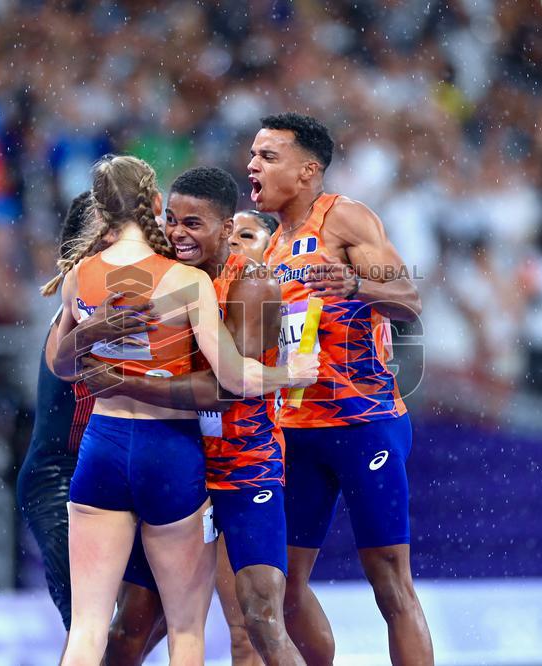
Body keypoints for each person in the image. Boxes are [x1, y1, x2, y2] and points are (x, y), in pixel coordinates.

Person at [47, 155, 318, 666]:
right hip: (171, 453)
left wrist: (101, 347)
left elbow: (62, 365)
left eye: (192, 223)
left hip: (153, 451)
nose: (176, 231)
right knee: (169, 630)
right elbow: (232, 381)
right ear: (154, 207)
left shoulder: (82, 274)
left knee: (93, 629)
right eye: (171, 218)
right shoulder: (179, 280)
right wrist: (291, 375)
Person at [250, 113, 434, 665]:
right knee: (279, 590)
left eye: (267, 157)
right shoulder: (265, 245)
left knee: (389, 583)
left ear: (308, 171)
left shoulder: (345, 219)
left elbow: (408, 302)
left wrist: (355, 284)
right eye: (253, 155)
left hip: (363, 422)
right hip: (295, 430)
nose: (252, 166)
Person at [17, 191, 158, 633]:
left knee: (142, 621)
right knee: (87, 626)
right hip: (57, 479)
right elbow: (65, 362)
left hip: (116, 477)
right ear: (89, 248)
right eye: (115, 234)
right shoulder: (75, 312)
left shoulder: (146, 300)